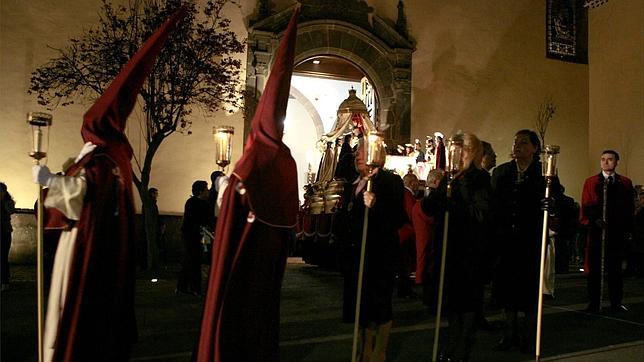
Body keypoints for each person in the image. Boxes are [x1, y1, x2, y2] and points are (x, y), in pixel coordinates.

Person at [32, 9, 186, 361]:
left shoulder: (101, 162)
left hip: (84, 248)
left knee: (73, 310)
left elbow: (76, 197)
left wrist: (47, 181)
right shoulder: (114, 160)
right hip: (101, 252)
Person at [420, 132, 491, 361]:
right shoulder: (451, 179)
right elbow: (429, 208)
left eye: (462, 150)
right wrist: (436, 193)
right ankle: (451, 341)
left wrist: (455, 204)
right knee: (451, 302)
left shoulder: (479, 179)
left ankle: (462, 346)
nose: (457, 155)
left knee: (466, 301)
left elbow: (480, 214)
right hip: (448, 249)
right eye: (455, 150)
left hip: (468, 251)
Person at [491, 129, 558, 353]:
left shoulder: (544, 173)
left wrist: (551, 204)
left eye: (523, 143)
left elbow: (557, 197)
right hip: (507, 241)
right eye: (515, 142)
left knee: (529, 291)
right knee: (507, 290)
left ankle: (530, 335)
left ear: (534, 148)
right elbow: (496, 203)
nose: (518, 146)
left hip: (530, 241)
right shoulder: (502, 172)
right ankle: (508, 332)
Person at [342, 138, 406, 361]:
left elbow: (398, 218)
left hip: (379, 255)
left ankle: (379, 351)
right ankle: (364, 349)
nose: (358, 155)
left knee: (379, 305)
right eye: (357, 151)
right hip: (357, 254)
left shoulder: (389, 181)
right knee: (361, 307)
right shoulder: (354, 182)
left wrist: (376, 205)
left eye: (364, 151)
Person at [580, 150, 635, 313]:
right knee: (595, 270)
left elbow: (628, 207)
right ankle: (594, 302)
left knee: (615, 270)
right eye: (603, 159)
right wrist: (593, 220)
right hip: (597, 232)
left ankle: (616, 302)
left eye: (610, 159)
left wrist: (626, 228)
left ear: (616, 161)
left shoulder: (624, 182)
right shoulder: (591, 182)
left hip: (616, 232)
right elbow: (586, 203)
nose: (606, 162)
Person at [176, 180, 211, 296]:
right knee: (191, 261)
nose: (208, 191)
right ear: (200, 191)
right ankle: (191, 288)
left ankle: (186, 287)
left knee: (193, 261)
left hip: (199, 235)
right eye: (206, 189)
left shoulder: (204, 203)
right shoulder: (192, 202)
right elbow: (193, 219)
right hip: (190, 235)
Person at [397, 172, 419, 298]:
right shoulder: (407, 195)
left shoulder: (402, 193)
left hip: (402, 233)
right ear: (412, 183)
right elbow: (412, 214)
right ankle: (405, 290)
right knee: (405, 264)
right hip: (406, 233)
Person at [1, 182, 16, 291]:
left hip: (4, 232)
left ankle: (5, 281)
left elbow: (11, 211)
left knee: (3, 257)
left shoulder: (8, 202)